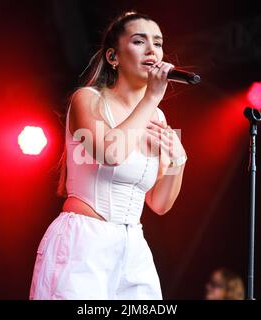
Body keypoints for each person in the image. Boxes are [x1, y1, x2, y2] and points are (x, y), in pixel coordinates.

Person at [29, 11, 187, 300]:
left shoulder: (158, 116)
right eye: (140, 41)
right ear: (113, 57)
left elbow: (160, 203)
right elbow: (111, 153)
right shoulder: (87, 99)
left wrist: (179, 161)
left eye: (158, 43)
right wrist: (151, 98)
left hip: (134, 247)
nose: (153, 50)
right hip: (83, 243)